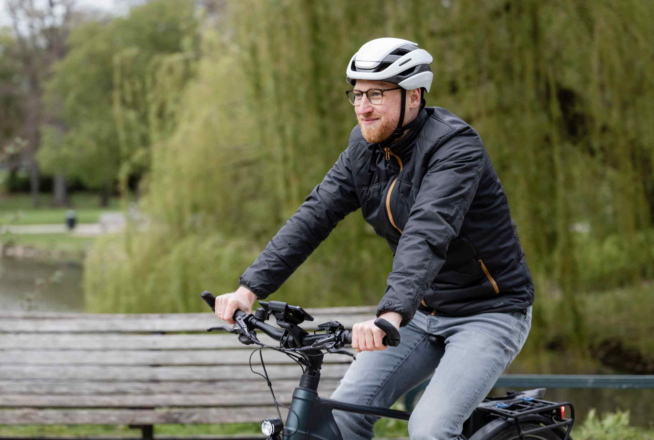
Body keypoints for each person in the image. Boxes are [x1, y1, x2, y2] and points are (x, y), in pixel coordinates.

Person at [212, 37, 534, 440]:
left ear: (413, 96)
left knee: (430, 429)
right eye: (358, 94)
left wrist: (390, 314)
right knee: (344, 420)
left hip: (488, 312)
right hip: (420, 310)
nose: (363, 107)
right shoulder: (363, 150)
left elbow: (428, 230)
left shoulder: (455, 147)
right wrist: (249, 289)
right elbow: (314, 216)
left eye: (377, 94)